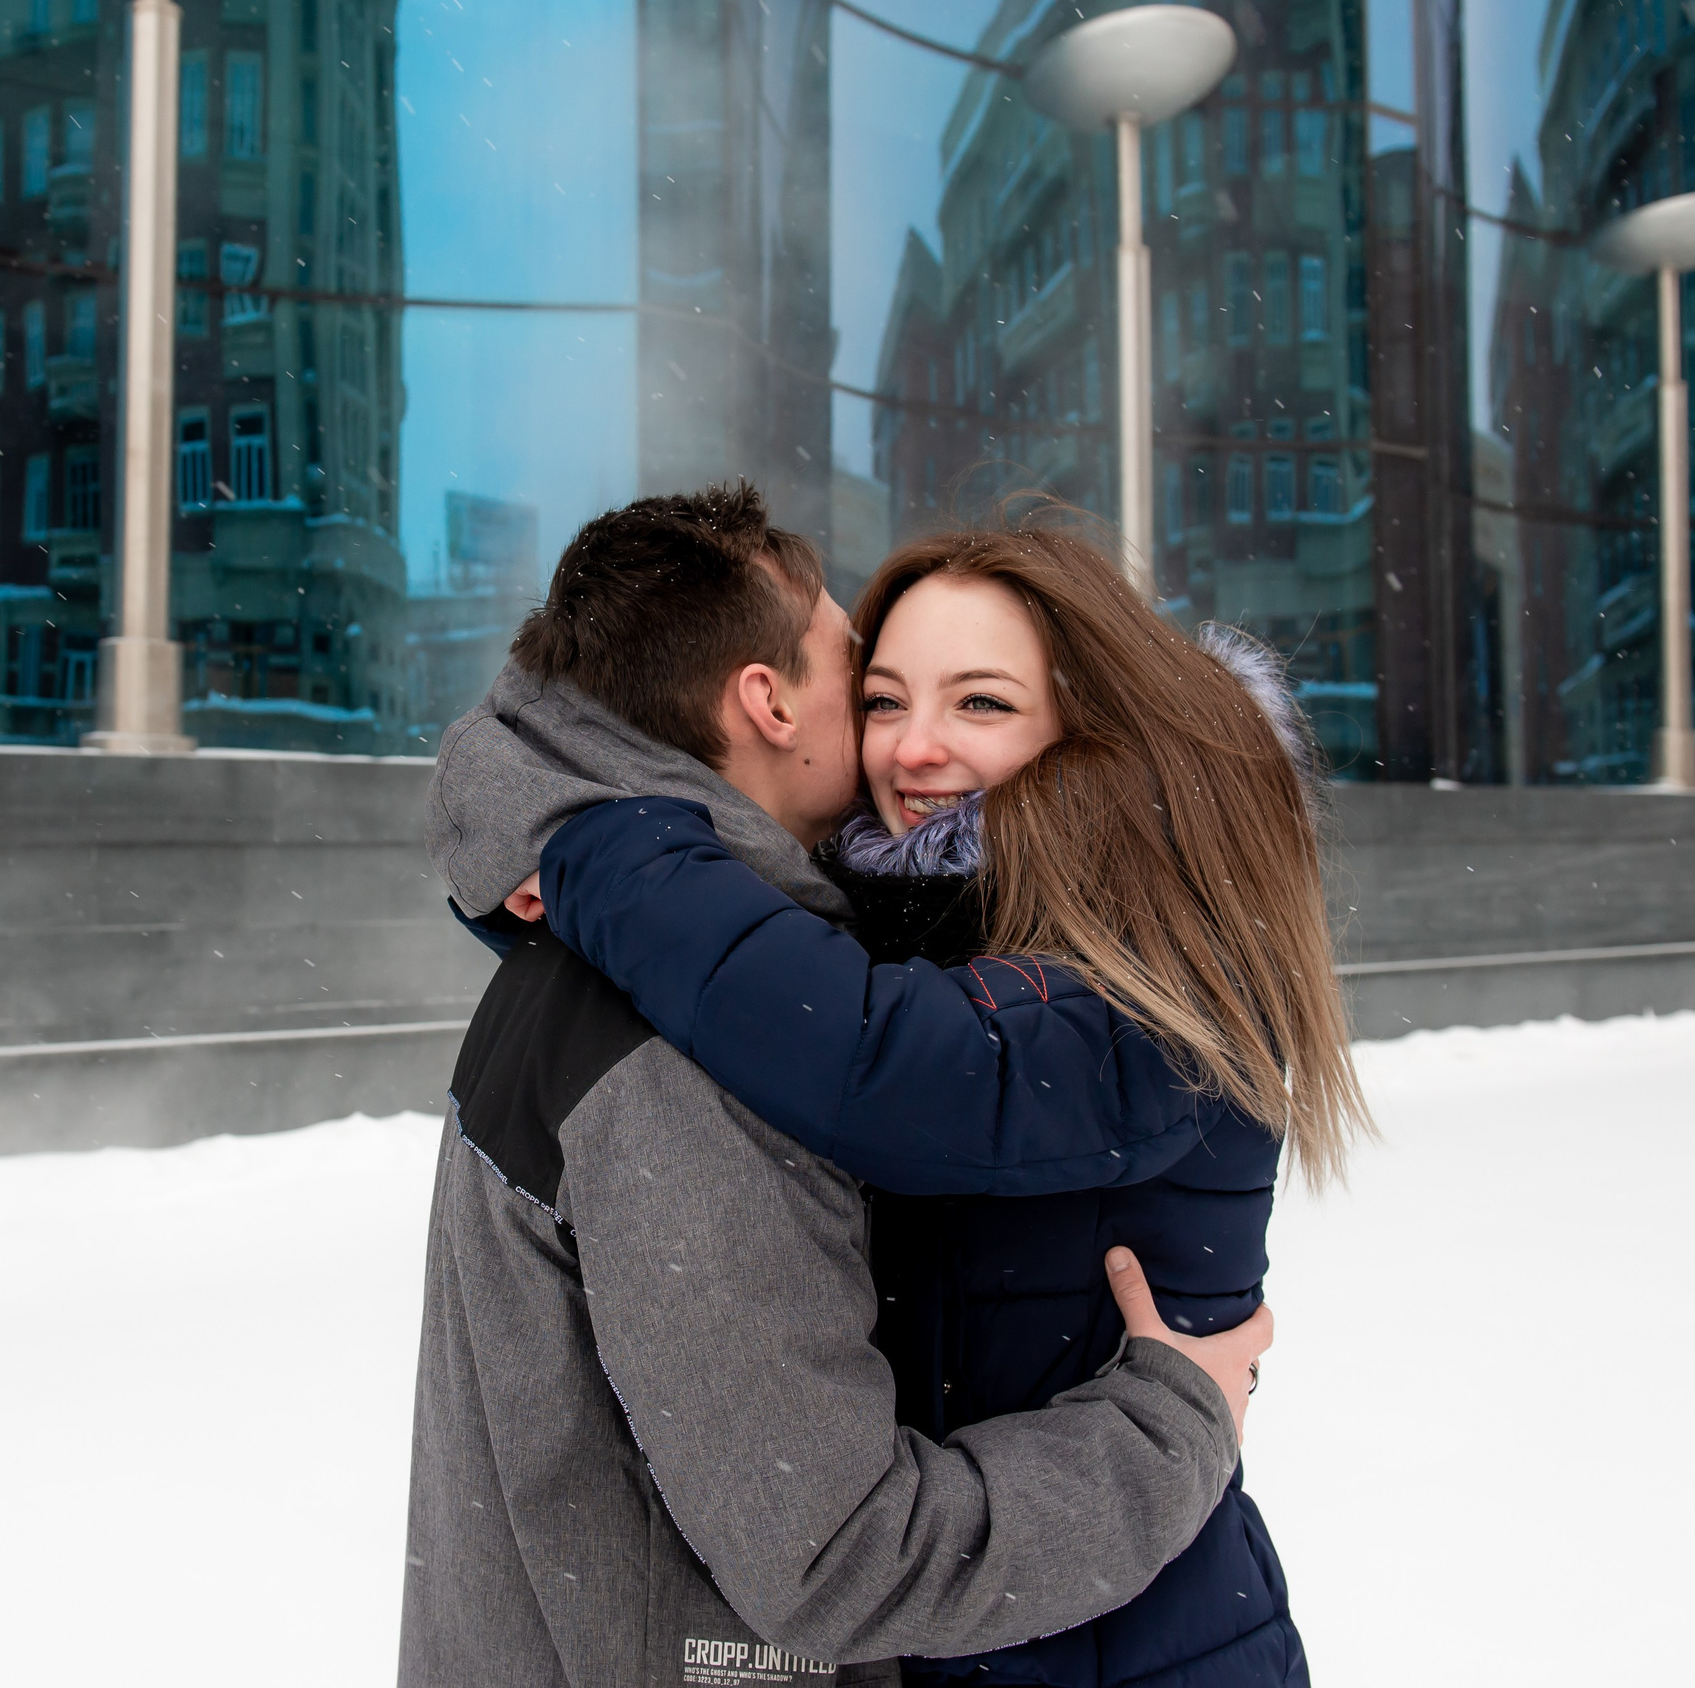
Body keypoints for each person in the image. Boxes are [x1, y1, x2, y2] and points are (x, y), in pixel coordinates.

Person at [402, 485, 1279, 1688]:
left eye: (979, 700)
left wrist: (578, 829)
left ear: (1092, 724)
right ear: (766, 701)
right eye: (875, 693)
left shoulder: (1143, 977)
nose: (910, 745)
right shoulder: (706, 1006)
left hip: (1131, 1645)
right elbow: (841, 1553)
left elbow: (885, 1060)